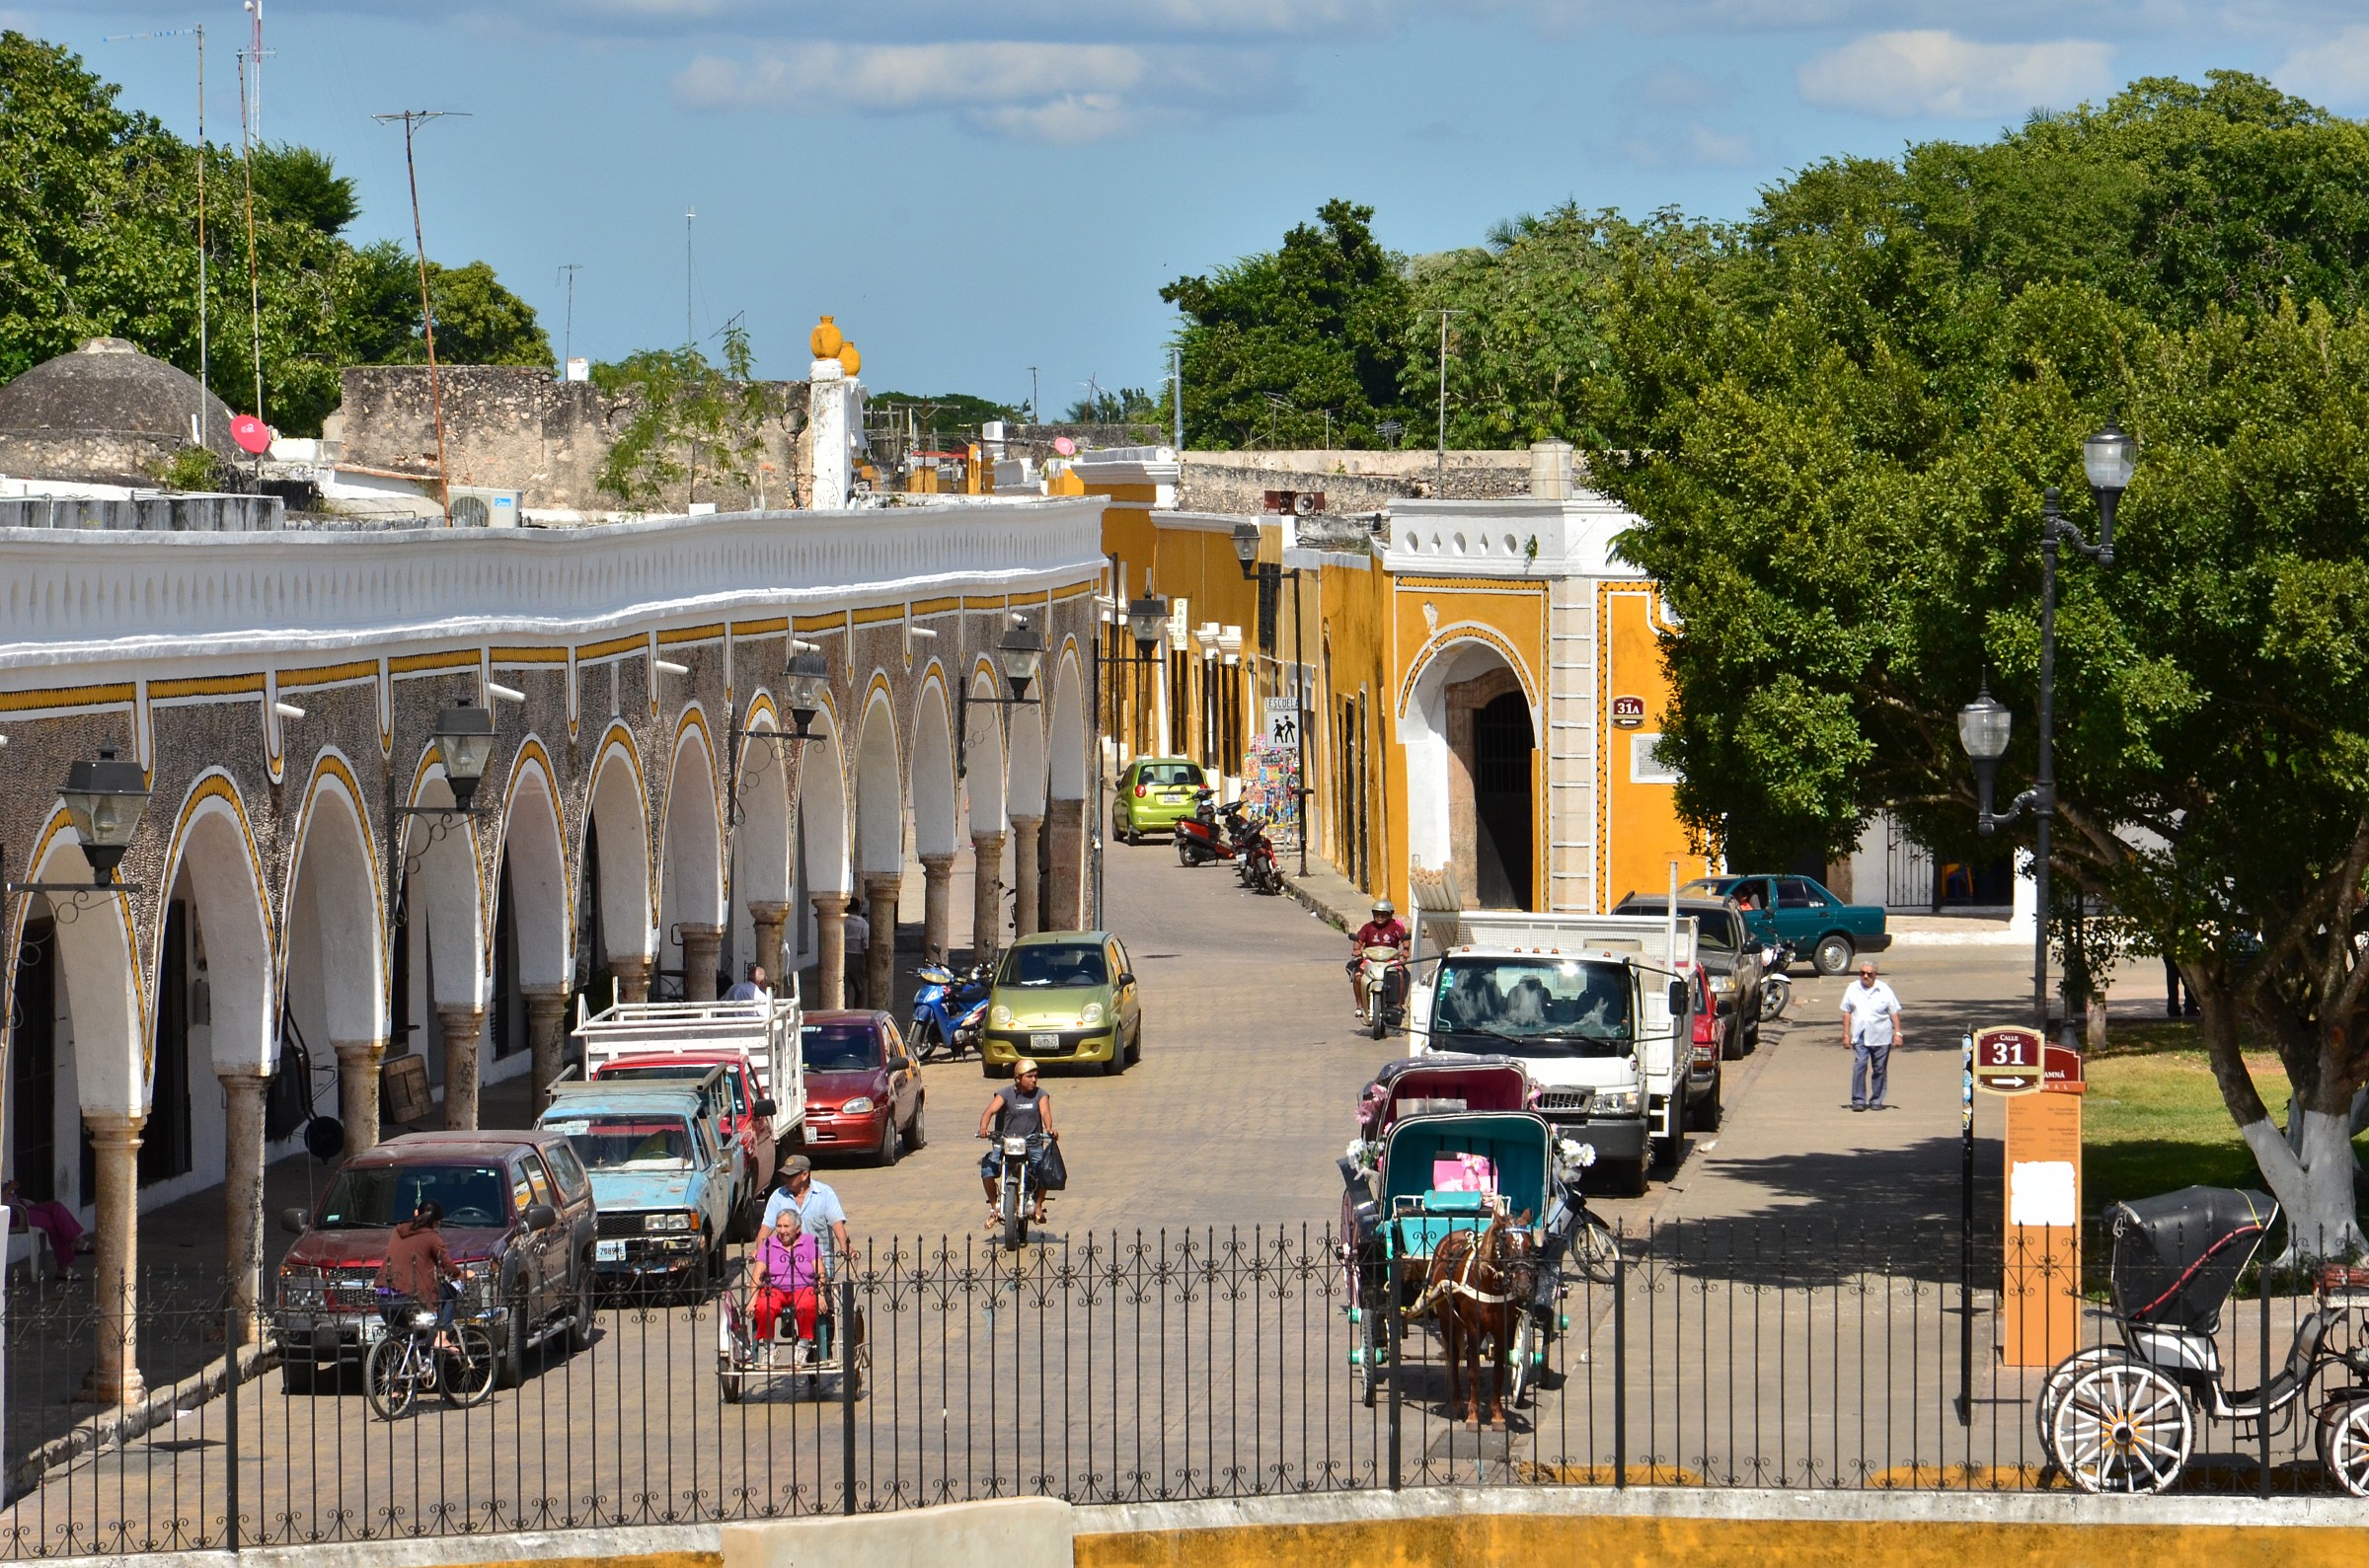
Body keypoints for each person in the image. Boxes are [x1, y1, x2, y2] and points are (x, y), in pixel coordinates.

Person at [977, 1059, 1060, 1228]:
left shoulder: (1040, 1094)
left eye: (1036, 1076)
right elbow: (990, 1111)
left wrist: (1049, 1129)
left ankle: (1038, 1205)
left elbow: (1045, 1112)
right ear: (1017, 1078)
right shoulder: (1005, 1093)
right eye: (1029, 1076)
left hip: (1032, 1144)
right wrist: (983, 1128)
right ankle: (995, 1207)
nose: (1034, 1080)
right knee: (987, 1168)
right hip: (1005, 1143)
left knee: (1045, 1169)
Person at [376, 1199, 463, 1352]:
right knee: (450, 1293)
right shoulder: (433, 1238)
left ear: (416, 1213)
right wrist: (463, 1274)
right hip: (407, 1297)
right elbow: (448, 1267)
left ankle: (408, 1366)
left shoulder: (398, 1231)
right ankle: (441, 1339)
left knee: (408, 1338)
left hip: (384, 1296)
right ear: (437, 1222)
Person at [748, 1208, 820, 1364]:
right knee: (763, 1306)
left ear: (797, 1228)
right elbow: (757, 1275)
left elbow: (820, 1272)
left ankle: (803, 1345)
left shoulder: (808, 1242)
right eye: (779, 1226)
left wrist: (820, 1295)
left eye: (786, 1226)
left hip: (803, 1287)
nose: (782, 1231)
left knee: (806, 1305)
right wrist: (752, 1300)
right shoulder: (769, 1244)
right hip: (775, 1289)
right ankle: (770, 1348)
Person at [761, 1155, 851, 1280]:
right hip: (786, 1265)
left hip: (819, 1263)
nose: (785, 1179)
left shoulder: (825, 1193)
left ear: (804, 1175)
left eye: (790, 1176)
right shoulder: (778, 1196)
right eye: (784, 1175)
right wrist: (759, 1252)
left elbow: (836, 1222)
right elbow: (766, 1227)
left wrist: (844, 1246)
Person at [1840, 960, 1904, 1112]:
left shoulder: (1884, 989)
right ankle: (1858, 1100)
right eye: (1862, 973)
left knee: (1879, 1068)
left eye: (1869, 973)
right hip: (1860, 1034)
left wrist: (1898, 1033)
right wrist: (1845, 1035)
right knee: (1860, 1065)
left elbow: (1894, 1013)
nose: (1866, 976)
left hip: (1881, 1035)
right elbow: (1847, 1012)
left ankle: (1877, 1100)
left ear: (1875, 974)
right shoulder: (1853, 988)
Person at [3, 1180, 83, 1278]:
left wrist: (11, 1188)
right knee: (56, 1222)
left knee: (56, 1207)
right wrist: (9, 1188)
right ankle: (67, 1261)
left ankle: (76, 1240)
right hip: (16, 1215)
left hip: (25, 1208)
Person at [1346, 898, 1410, 1011]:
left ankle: (1399, 1004)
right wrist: (1357, 950)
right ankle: (1360, 1005)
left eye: (1383, 914)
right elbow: (1359, 940)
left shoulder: (1395, 927)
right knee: (1358, 976)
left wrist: (1405, 949)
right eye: (1376, 913)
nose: (1379, 917)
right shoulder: (1368, 927)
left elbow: (1404, 939)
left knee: (1400, 975)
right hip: (1371, 959)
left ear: (1390, 915)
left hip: (1390, 960)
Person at [843, 899, 872, 1007]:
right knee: (861, 989)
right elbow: (866, 946)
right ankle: (857, 1009)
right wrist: (868, 965)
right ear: (858, 908)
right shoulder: (863, 924)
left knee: (844, 989)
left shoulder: (842, 920)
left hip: (842, 955)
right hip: (857, 958)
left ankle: (844, 1010)